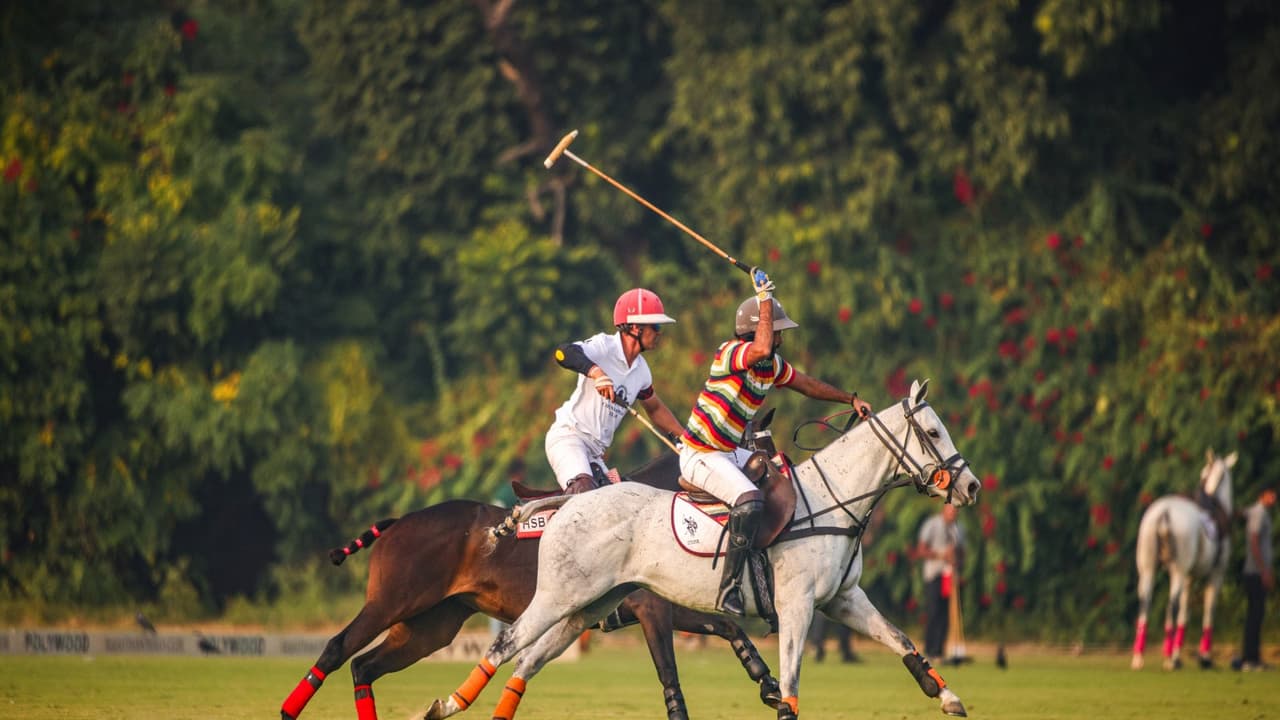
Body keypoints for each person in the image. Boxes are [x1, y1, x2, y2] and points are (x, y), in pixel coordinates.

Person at [679, 268, 873, 615]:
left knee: (783, 478)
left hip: (727, 452)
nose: (780, 339)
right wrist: (765, 296)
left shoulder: (770, 367)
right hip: (700, 453)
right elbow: (763, 345)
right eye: (776, 330)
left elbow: (807, 384)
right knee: (750, 499)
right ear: (755, 329)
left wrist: (849, 399)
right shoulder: (731, 353)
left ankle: (775, 575)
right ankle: (728, 588)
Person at [546, 288, 686, 494]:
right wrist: (596, 372)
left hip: (595, 455)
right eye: (655, 326)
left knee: (621, 506)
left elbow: (655, 409)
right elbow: (563, 352)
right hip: (569, 438)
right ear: (635, 328)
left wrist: (686, 438)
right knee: (584, 492)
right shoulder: (604, 346)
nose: (659, 332)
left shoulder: (642, 370)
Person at [1233, 485, 1275, 671]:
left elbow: (1242, 513)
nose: (1273, 498)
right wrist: (1264, 569)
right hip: (1255, 572)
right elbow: (1254, 540)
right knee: (1255, 615)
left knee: (1256, 614)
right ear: (1262, 495)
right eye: (1270, 494)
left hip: (1255, 571)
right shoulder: (1260, 513)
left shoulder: (1255, 512)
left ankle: (1252, 657)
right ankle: (1250, 659)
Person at [915, 504, 964, 661]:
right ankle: (930, 649)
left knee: (946, 612)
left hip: (950, 575)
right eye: (951, 511)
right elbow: (921, 550)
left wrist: (957, 561)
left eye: (955, 511)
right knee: (934, 611)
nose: (953, 514)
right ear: (944, 510)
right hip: (934, 574)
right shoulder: (932, 524)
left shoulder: (958, 529)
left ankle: (940, 650)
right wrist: (941, 555)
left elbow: (962, 551)